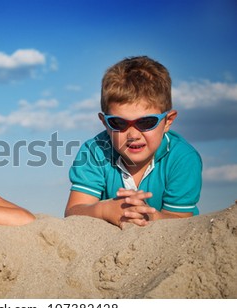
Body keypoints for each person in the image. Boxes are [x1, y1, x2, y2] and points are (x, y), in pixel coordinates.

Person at [65, 56, 202, 228]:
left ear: (168, 121)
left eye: (146, 122)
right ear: (104, 123)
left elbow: (182, 220)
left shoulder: (183, 158)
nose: (133, 134)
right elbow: (73, 211)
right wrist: (103, 210)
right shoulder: (94, 151)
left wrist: (149, 217)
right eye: (119, 123)